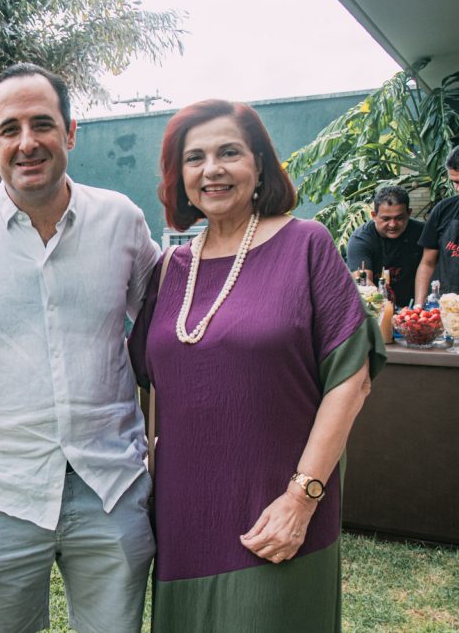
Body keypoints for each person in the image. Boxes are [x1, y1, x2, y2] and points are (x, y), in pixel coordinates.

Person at [128, 99, 386, 632]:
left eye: (229, 153)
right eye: (195, 158)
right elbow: (149, 384)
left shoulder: (306, 245)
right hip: (184, 516)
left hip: (278, 510)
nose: (212, 169)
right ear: (180, 178)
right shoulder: (170, 268)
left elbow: (352, 379)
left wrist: (301, 499)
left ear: (260, 165)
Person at [0, 63, 159, 633]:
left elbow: (169, 334)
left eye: (42, 124)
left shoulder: (121, 221)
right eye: (10, 129)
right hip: (2, 493)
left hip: (111, 487)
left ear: (70, 132)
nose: (27, 142)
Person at [414, 140, 459, 305]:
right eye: (455, 182)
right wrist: (419, 305)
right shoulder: (444, 209)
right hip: (441, 308)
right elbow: (427, 263)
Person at [345, 185, 424, 304]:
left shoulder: (422, 233)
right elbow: (364, 284)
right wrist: (384, 307)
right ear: (374, 216)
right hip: (377, 305)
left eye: (399, 218)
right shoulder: (360, 240)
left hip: (416, 306)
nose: (392, 224)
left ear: (409, 213)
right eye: (386, 219)